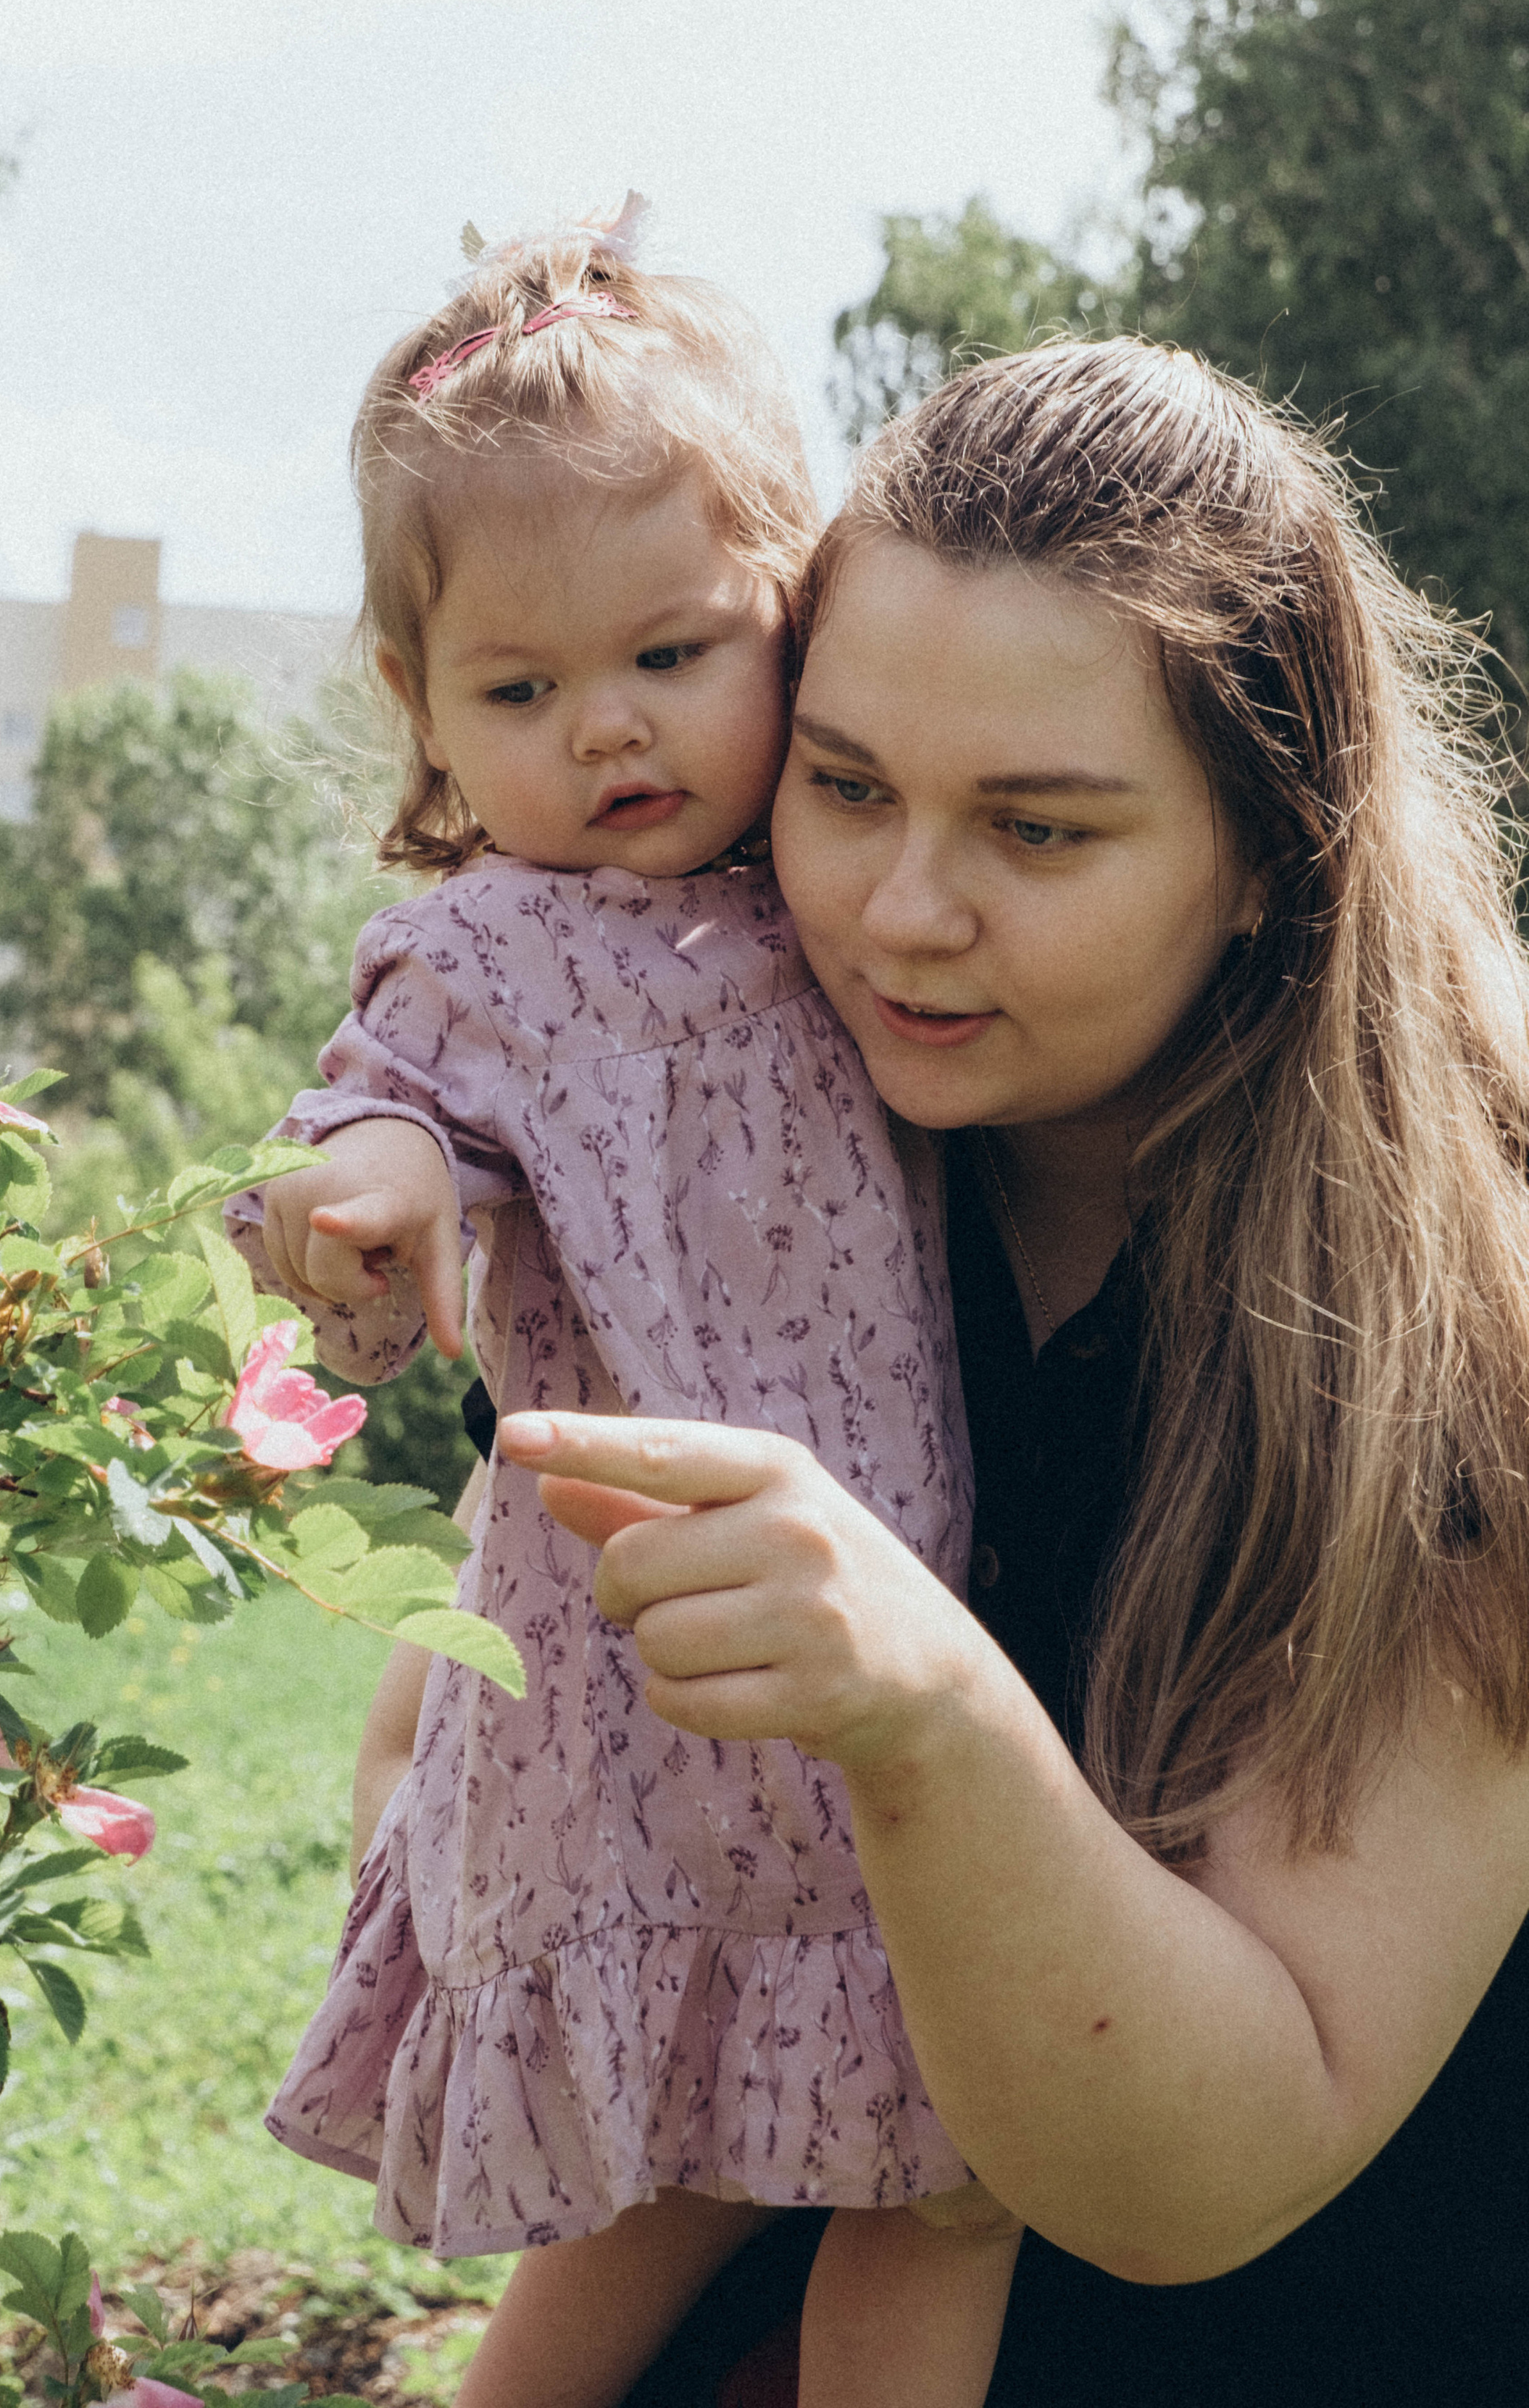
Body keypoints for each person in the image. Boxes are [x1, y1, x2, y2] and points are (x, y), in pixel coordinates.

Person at [475, 338, 1529, 2406]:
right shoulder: (727, 1145)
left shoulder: (1462, 1331)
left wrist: (927, 1706)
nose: (902, 911)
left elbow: (1208, 2177)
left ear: (1271, 862)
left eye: (1040, 834)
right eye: (845, 785)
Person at [231, 210, 1017, 2408]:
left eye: (675, 656)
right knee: (687, 2187)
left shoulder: (854, 897)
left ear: (799, 617)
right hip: (648, 1699)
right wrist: (370, 1204)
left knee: (938, 2169)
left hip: (907, 1645)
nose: (611, 732)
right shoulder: (495, 957)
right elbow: (386, 1118)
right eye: (519, 690)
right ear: (423, 712)